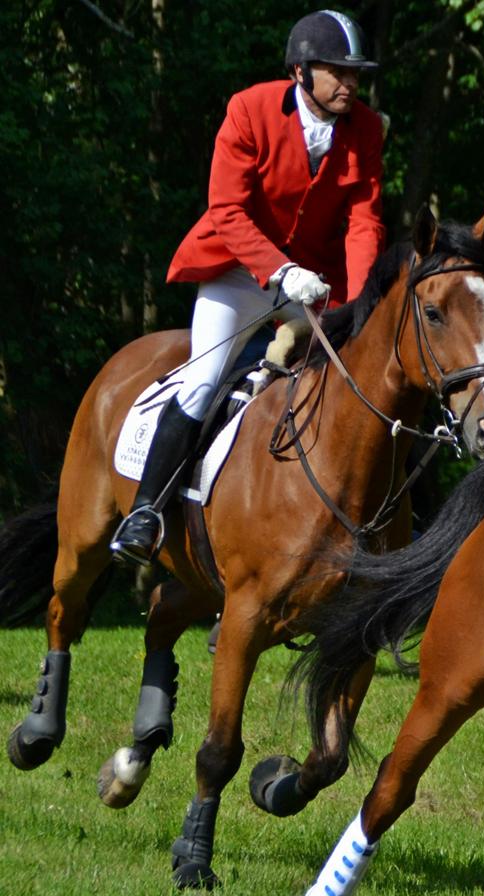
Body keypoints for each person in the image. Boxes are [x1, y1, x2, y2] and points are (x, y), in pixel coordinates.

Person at [110, 10, 386, 566]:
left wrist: (358, 308)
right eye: (339, 71)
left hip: (315, 285)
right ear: (302, 72)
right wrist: (279, 270)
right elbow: (227, 210)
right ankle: (146, 511)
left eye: (356, 74)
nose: (351, 84)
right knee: (204, 379)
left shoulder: (366, 129)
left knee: (355, 383)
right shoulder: (249, 109)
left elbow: (365, 222)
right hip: (238, 270)